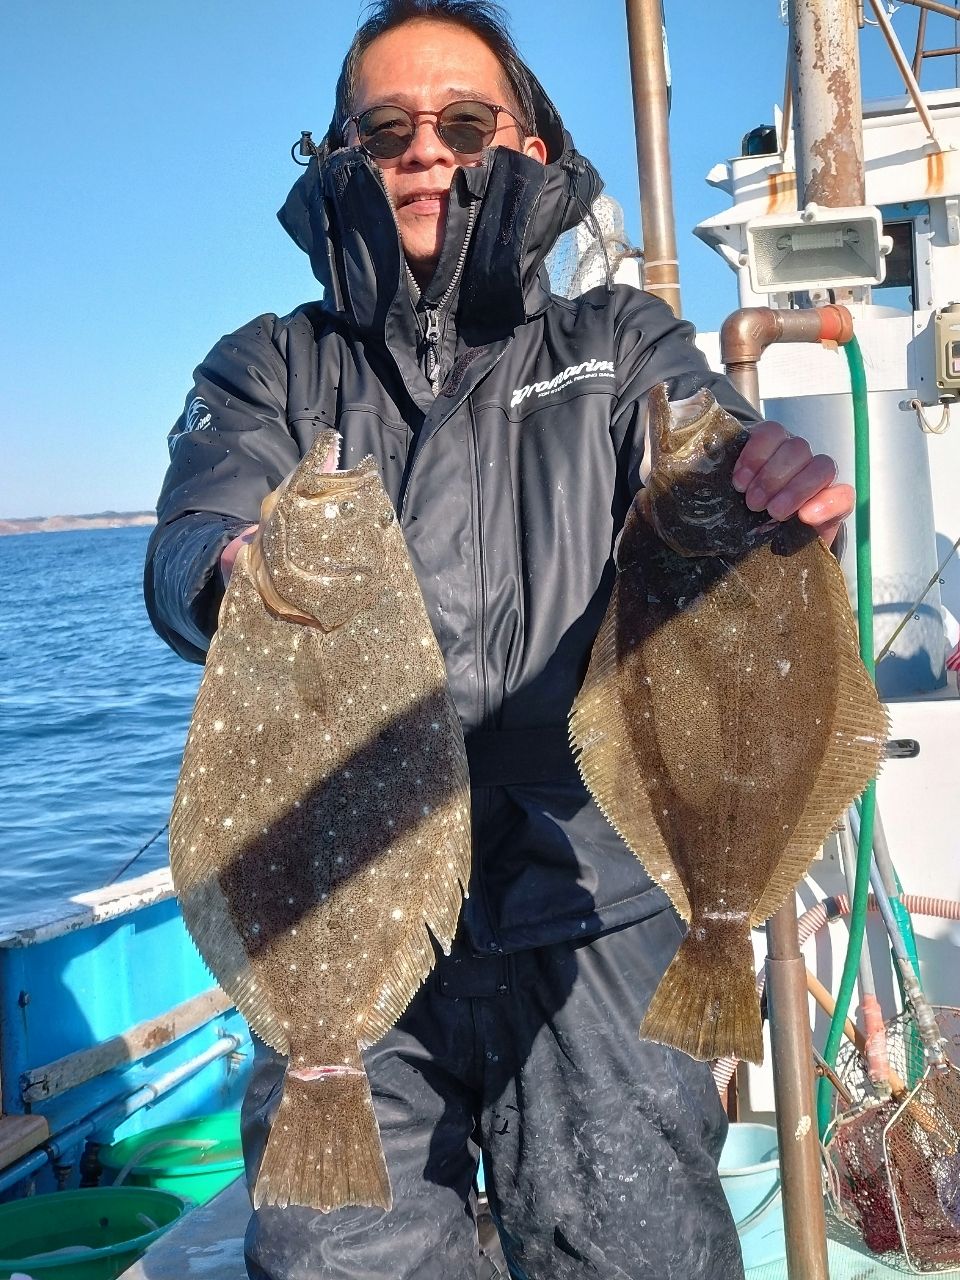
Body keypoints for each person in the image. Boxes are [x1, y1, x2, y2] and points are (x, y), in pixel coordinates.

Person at [145, 3, 853, 1276]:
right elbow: (195, 528)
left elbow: (706, 437)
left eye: (464, 123)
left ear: (525, 145)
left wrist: (764, 479)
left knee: (631, 1247)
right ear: (341, 158)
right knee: (335, 1255)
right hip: (342, 903)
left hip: (595, 902)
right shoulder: (270, 368)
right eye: (388, 128)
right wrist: (233, 572)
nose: (427, 151)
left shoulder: (617, 344)